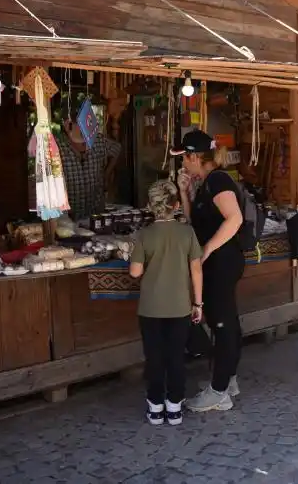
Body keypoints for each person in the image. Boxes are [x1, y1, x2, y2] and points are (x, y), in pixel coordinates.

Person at [173, 130, 245, 412]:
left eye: (184, 158)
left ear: (194, 156)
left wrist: (208, 249)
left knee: (222, 325)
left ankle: (219, 391)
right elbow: (197, 223)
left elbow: (234, 219)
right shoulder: (206, 182)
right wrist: (183, 191)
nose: (183, 164)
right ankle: (228, 380)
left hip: (223, 261)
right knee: (223, 321)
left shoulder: (218, 180)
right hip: (217, 260)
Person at [129, 180, 203, 426]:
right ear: (176, 205)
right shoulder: (187, 232)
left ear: (151, 205)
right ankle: (174, 408)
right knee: (175, 357)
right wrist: (198, 304)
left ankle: (155, 407)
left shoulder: (144, 235)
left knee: (154, 358)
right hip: (180, 306)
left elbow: (135, 272)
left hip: (150, 308)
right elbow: (197, 271)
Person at [55, 118, 121, 222]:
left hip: (96, 211)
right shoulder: (58, 145)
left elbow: (117, 148)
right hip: (70, 215)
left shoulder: (98, 140)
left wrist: (106, 174)